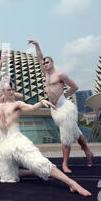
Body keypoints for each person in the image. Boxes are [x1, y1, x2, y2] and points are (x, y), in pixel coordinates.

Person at [0, 83, 92, 197]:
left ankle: (72, 183)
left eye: (12, 89)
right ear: (3, 92)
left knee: (41, 163)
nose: (12, 92)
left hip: (16, 140)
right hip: (4, 145)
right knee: (8, 178)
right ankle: (36, 172)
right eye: (9, 90)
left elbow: (31, 107)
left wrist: (40, 103)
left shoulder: (17, 104)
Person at [28, 40, 94, 173]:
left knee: (65, 136)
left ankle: (64, 164)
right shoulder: (46, 74)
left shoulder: (60, 75)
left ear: (53, 62)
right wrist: (37, 45)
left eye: (48, 62)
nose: (45, 64)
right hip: (55, 109)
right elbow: (40, 58)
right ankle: (88, 151)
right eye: (44, 63)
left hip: (65, 108)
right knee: (75, 132)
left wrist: (64, 96)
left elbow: (75, 87)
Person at [0, 53, 23, 170]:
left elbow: (20, 95)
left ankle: (1, 162)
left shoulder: (5, 92)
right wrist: (2, 60)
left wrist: (10, 95)